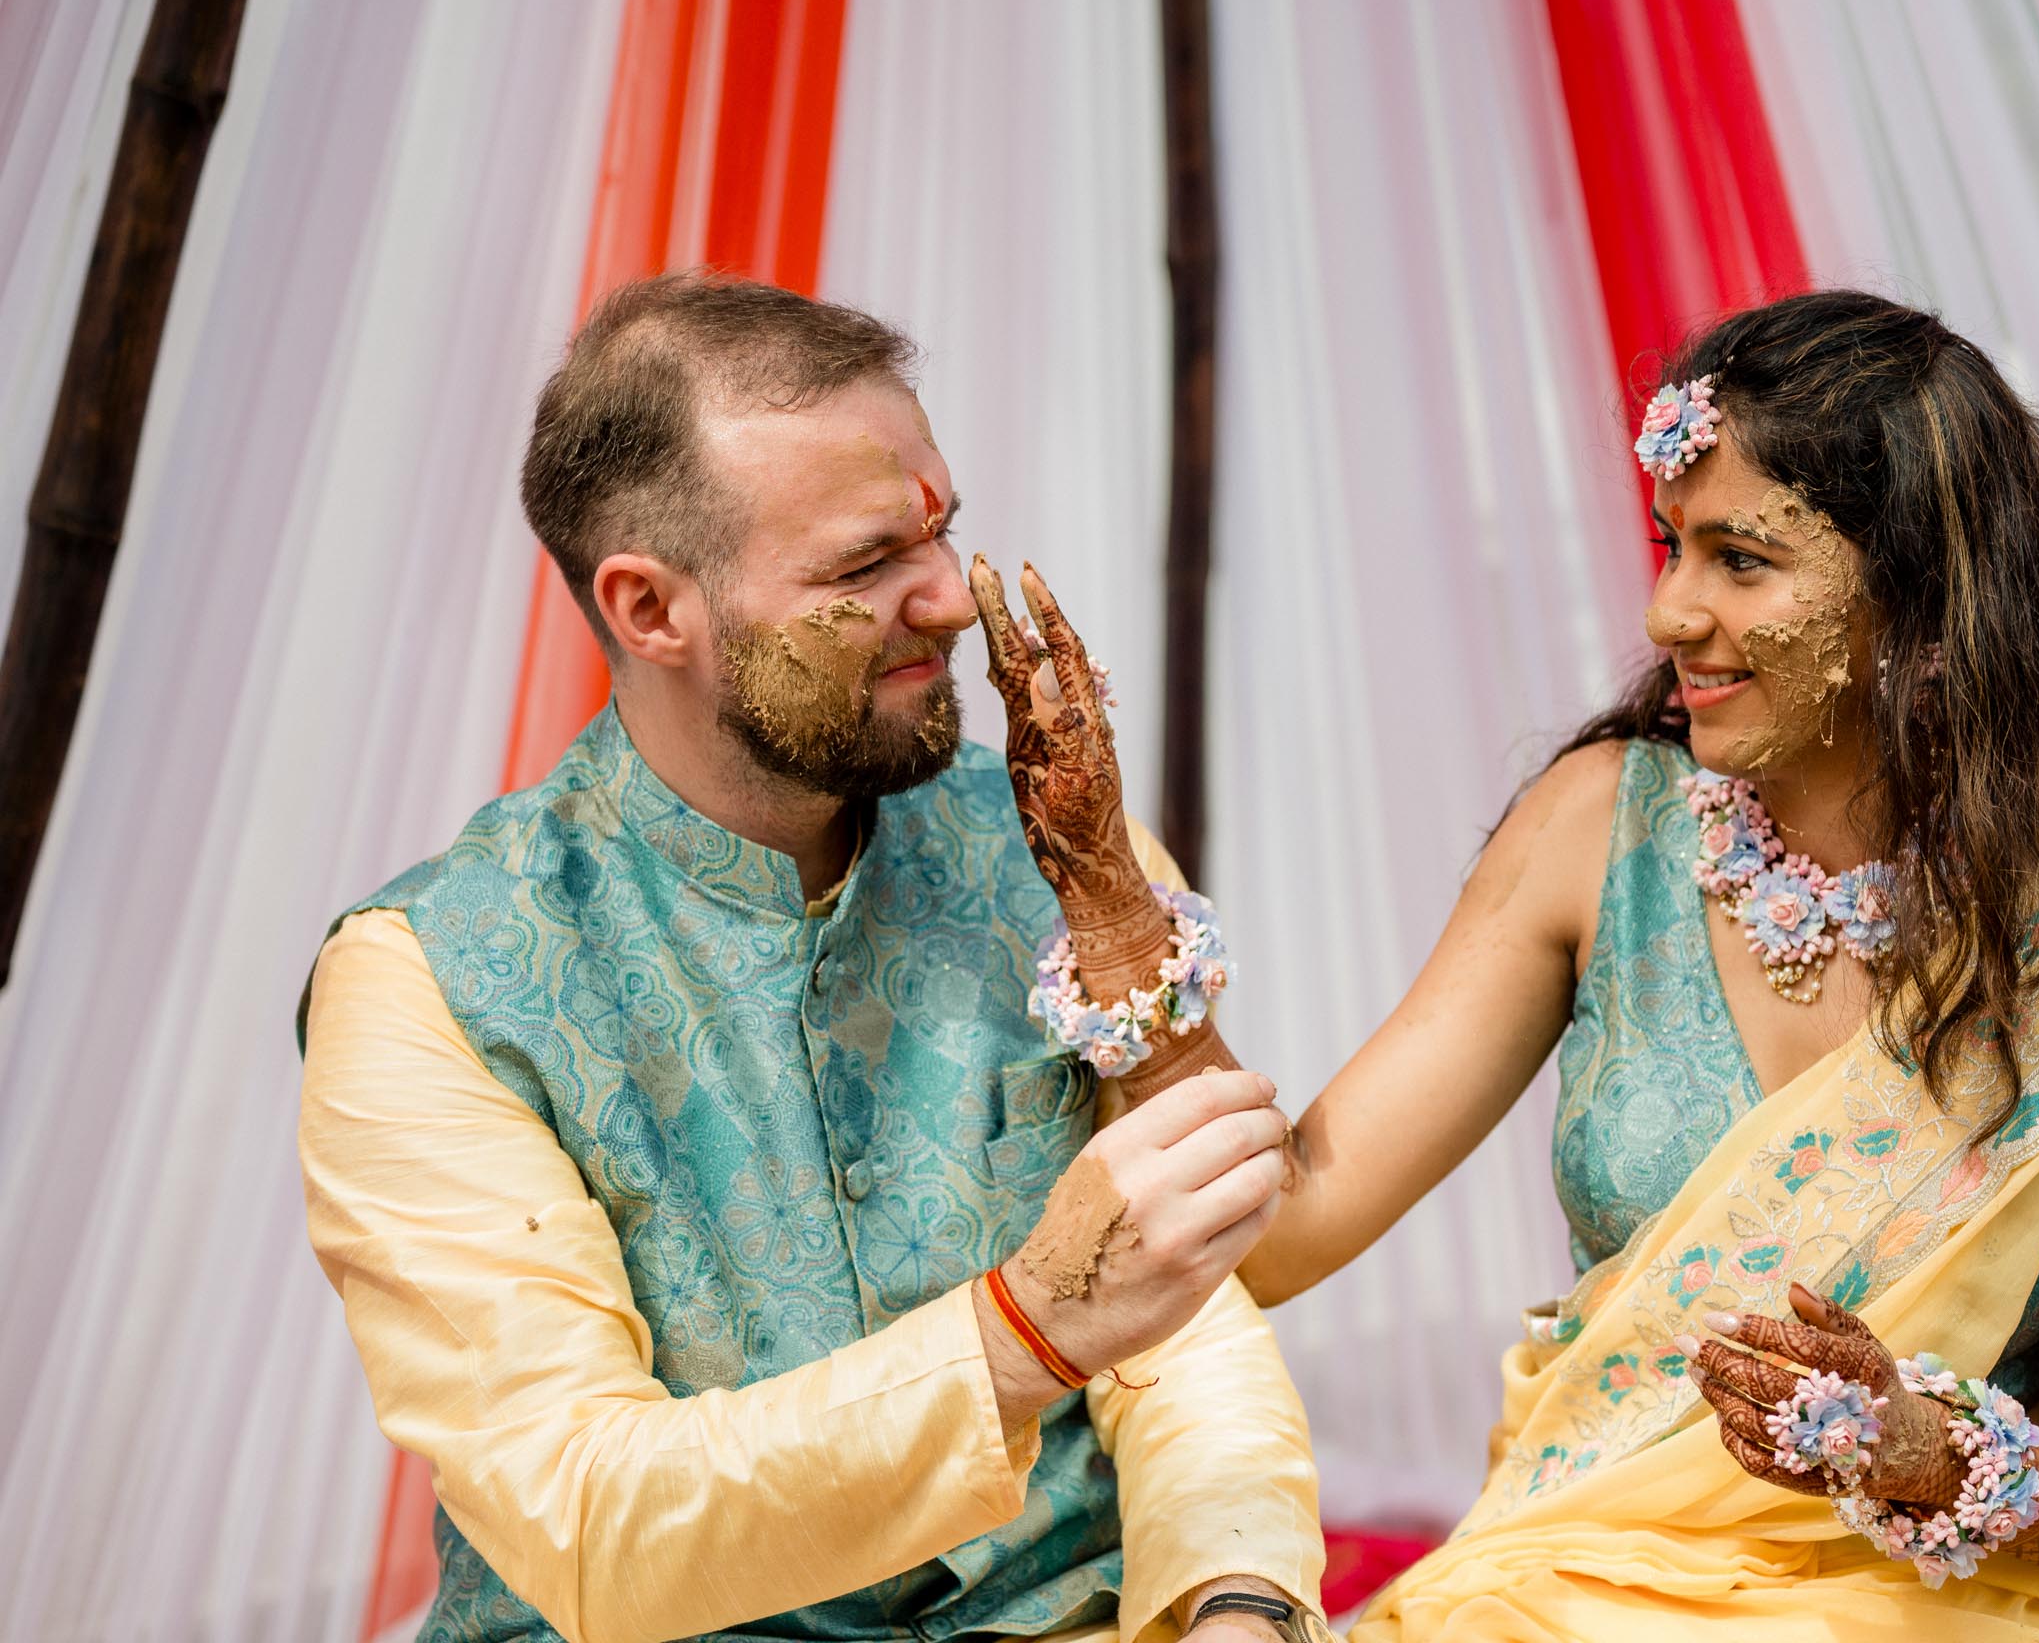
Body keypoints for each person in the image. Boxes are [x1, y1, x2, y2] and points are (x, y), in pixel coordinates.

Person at [1035, 291, 2039, 1639]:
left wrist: (1925, 1454)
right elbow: (1289, 1231)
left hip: (1952, 1613)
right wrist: (1115, 912)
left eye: (1742, 560)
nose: (1668, 611)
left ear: (1926, 605)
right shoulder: (1600, 832)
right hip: (1572, 1589)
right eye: (1673, 547)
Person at [297, 272, 1331, 1643]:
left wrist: (1239, 1601)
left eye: (939, 532)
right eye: (861, 570)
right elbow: (587, 1516)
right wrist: (1025, 1332)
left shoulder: (1050, 838)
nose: (949, 600)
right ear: (650, 610)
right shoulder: (431, 979)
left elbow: (1187, 1317)